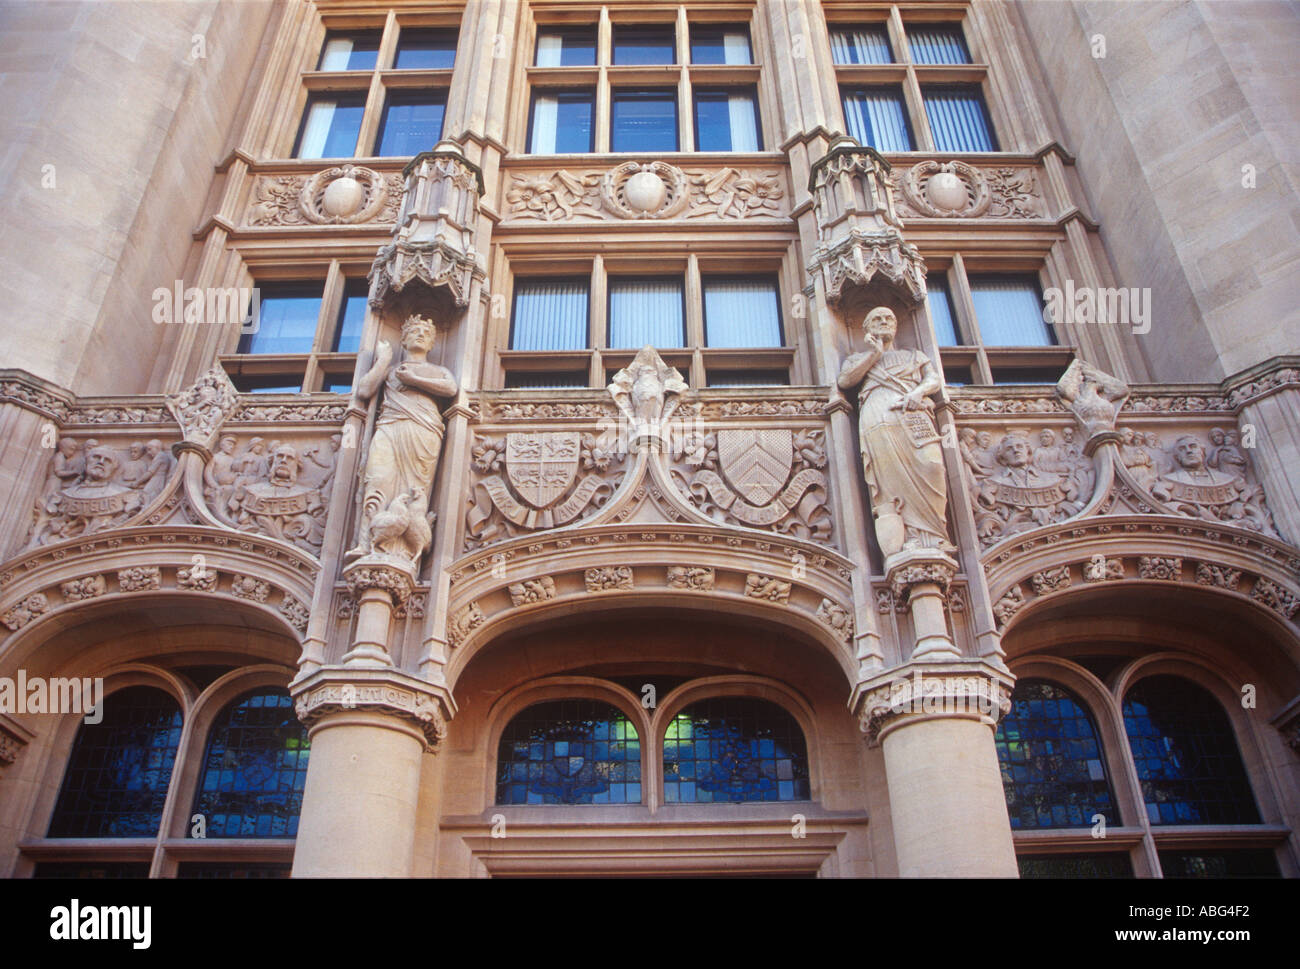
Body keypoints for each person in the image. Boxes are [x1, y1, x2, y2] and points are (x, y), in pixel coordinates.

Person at [837, 306, 952, 557]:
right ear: (866, 328)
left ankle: (933, 536)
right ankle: (907, 539)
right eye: (877, 319)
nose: (884, 322)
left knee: (932, 465)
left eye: (889, 318)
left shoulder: (913, 355)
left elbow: (933, 380)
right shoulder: (858, 358)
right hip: (878, 413)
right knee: (888, 478)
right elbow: (845, 381)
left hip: (913, 412)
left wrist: (917, 392)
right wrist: (874, 354)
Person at [347, 314, 458, 562]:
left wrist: (414, 380)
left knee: (414, 490)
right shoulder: (391, 370)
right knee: (377, 479)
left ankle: (403, 549)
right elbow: (364, 390)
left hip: (422, 432)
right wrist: (384, 360)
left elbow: (451, 389)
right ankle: (366, 543)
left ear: (432, 344)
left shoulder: (438, 370)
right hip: (389, 427)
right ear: (404, 340)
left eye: (426, 333)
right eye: (414, 331)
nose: (420, 335)